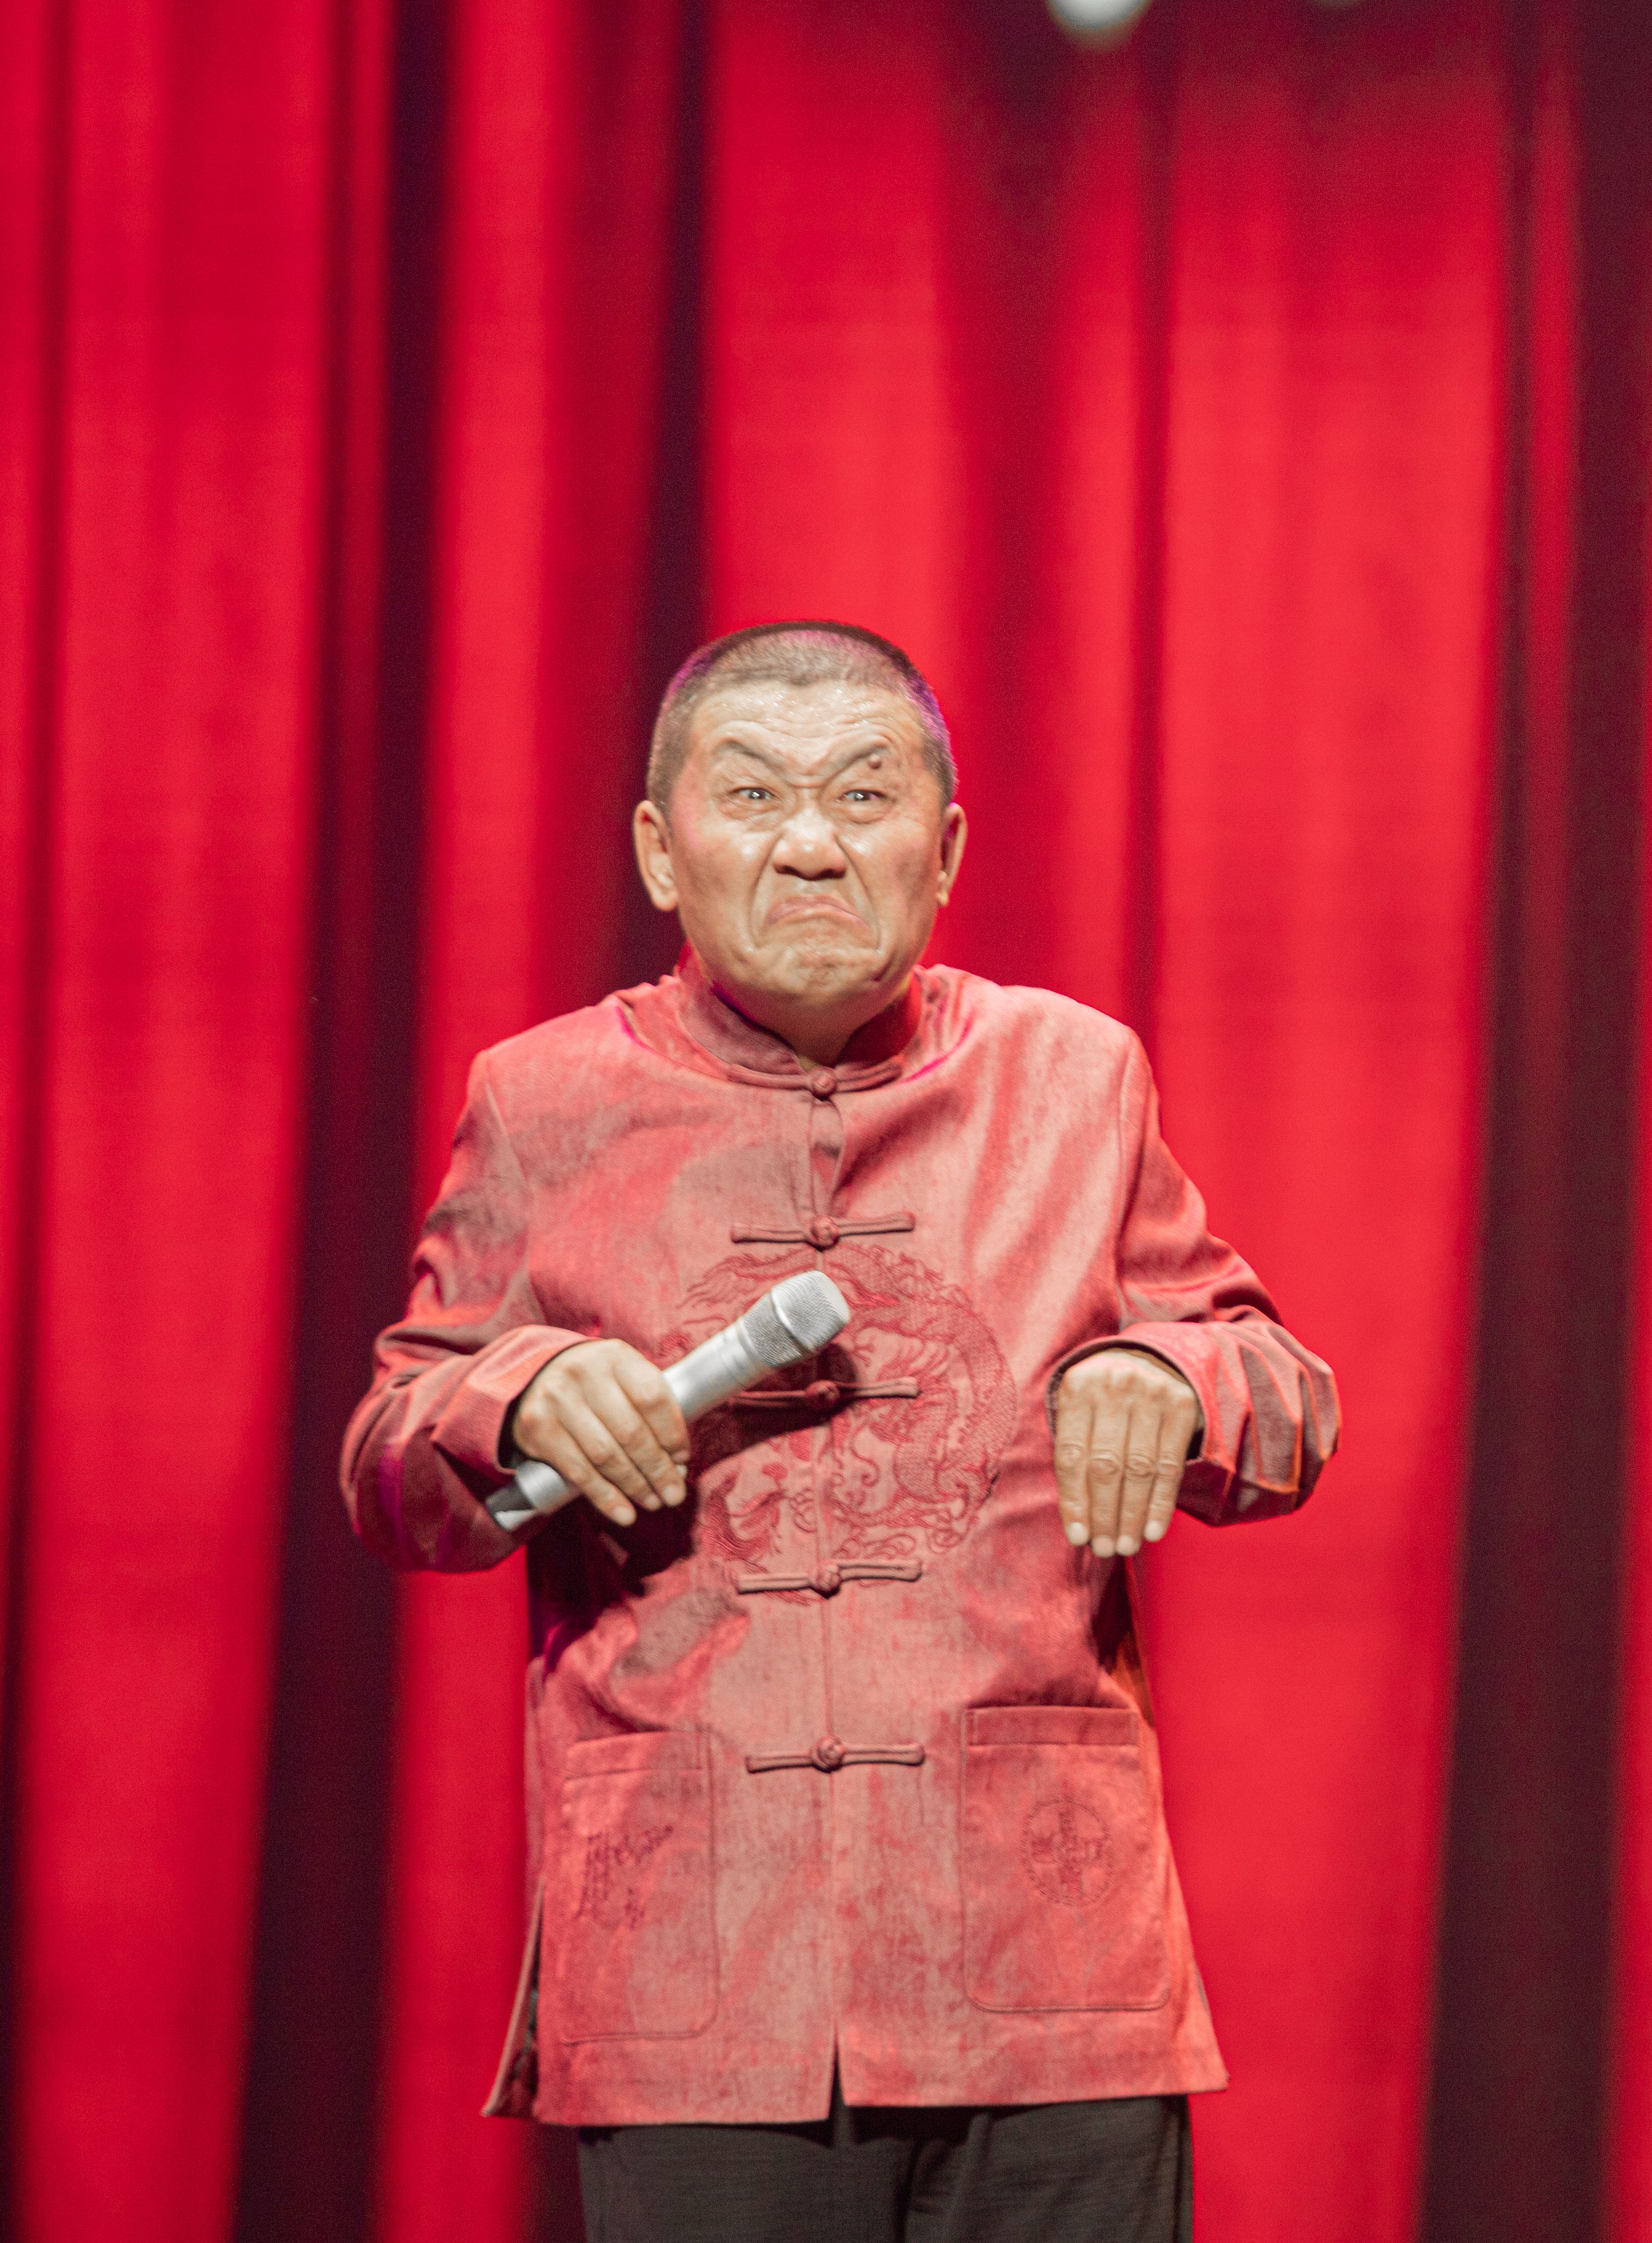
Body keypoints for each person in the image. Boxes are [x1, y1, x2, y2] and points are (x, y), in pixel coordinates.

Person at [345, 621, 1337, 2243]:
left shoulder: (1073, 1078)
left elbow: (1280, 1389)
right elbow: (393, 1474)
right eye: (753, 796)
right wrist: (510, 1393)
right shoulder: (542, 1099)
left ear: (943, 852)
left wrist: (1175, 1378)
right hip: (697, 1970)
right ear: (660, 851)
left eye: (863, 796)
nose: (810, 844)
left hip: (1046, 1957)